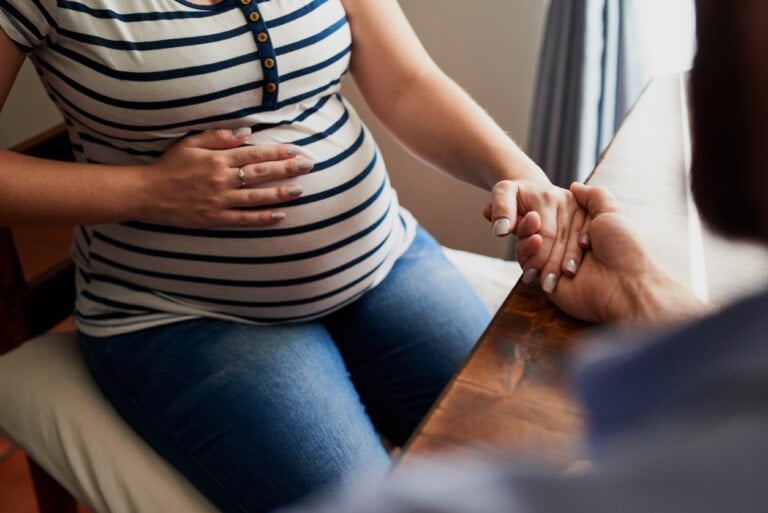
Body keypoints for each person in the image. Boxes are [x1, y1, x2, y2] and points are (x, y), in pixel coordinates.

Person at [0, 1, 587, 511]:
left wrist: (519, 175)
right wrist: (148, 190)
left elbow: (407, 82)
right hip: (184, 314)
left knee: (553, 456)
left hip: (382, 260)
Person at [277, 0, 768, 511]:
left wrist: (528, 180)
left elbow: (408, 81)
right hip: (208, 313)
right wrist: (636, 288)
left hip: (381, 258)